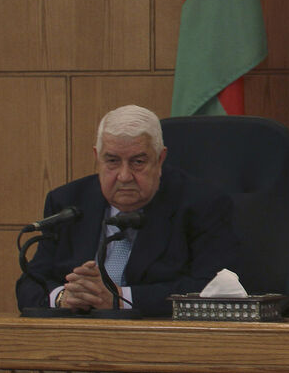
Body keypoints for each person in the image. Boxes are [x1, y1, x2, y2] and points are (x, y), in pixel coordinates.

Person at [15, 105, 238, 317]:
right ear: (97, 158)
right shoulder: (67, 202)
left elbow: (211, 287)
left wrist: (119, 298)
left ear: (160, 159)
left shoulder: (202, 204)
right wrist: (64, 297)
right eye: (112, 161)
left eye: (138, 162)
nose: (124, 176)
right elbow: (31, 281)